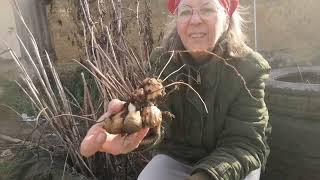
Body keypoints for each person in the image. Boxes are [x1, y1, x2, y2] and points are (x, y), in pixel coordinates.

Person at [80, 0, 271, 179]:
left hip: (233, 164)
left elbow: (245, 143)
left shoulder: (249, 69)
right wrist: (130, 127)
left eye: (207, 9)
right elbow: (160, 122)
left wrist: (204, 176)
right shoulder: (163, 61)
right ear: (177, 20)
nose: (195, 20)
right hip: (180, 158)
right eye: (186, 11)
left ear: (227, 17)